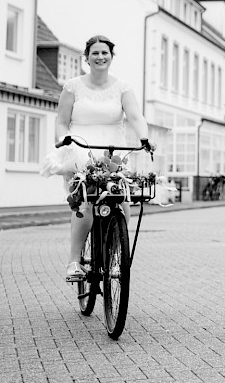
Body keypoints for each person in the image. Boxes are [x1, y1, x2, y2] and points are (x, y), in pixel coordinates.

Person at [41, 35, 153, 281]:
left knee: (122, 203)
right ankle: (73, 262)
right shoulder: (72, 86)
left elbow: (135, 116)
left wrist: (144, 138)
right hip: (81, 147)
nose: (100, 57)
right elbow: (61, 121)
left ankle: (114, 256)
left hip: (113, 151)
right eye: (95, 53)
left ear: (111, 57)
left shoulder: (122, 87)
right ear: (87, 57)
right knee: (85, 203)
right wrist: (65, 139)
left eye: (105, 53)